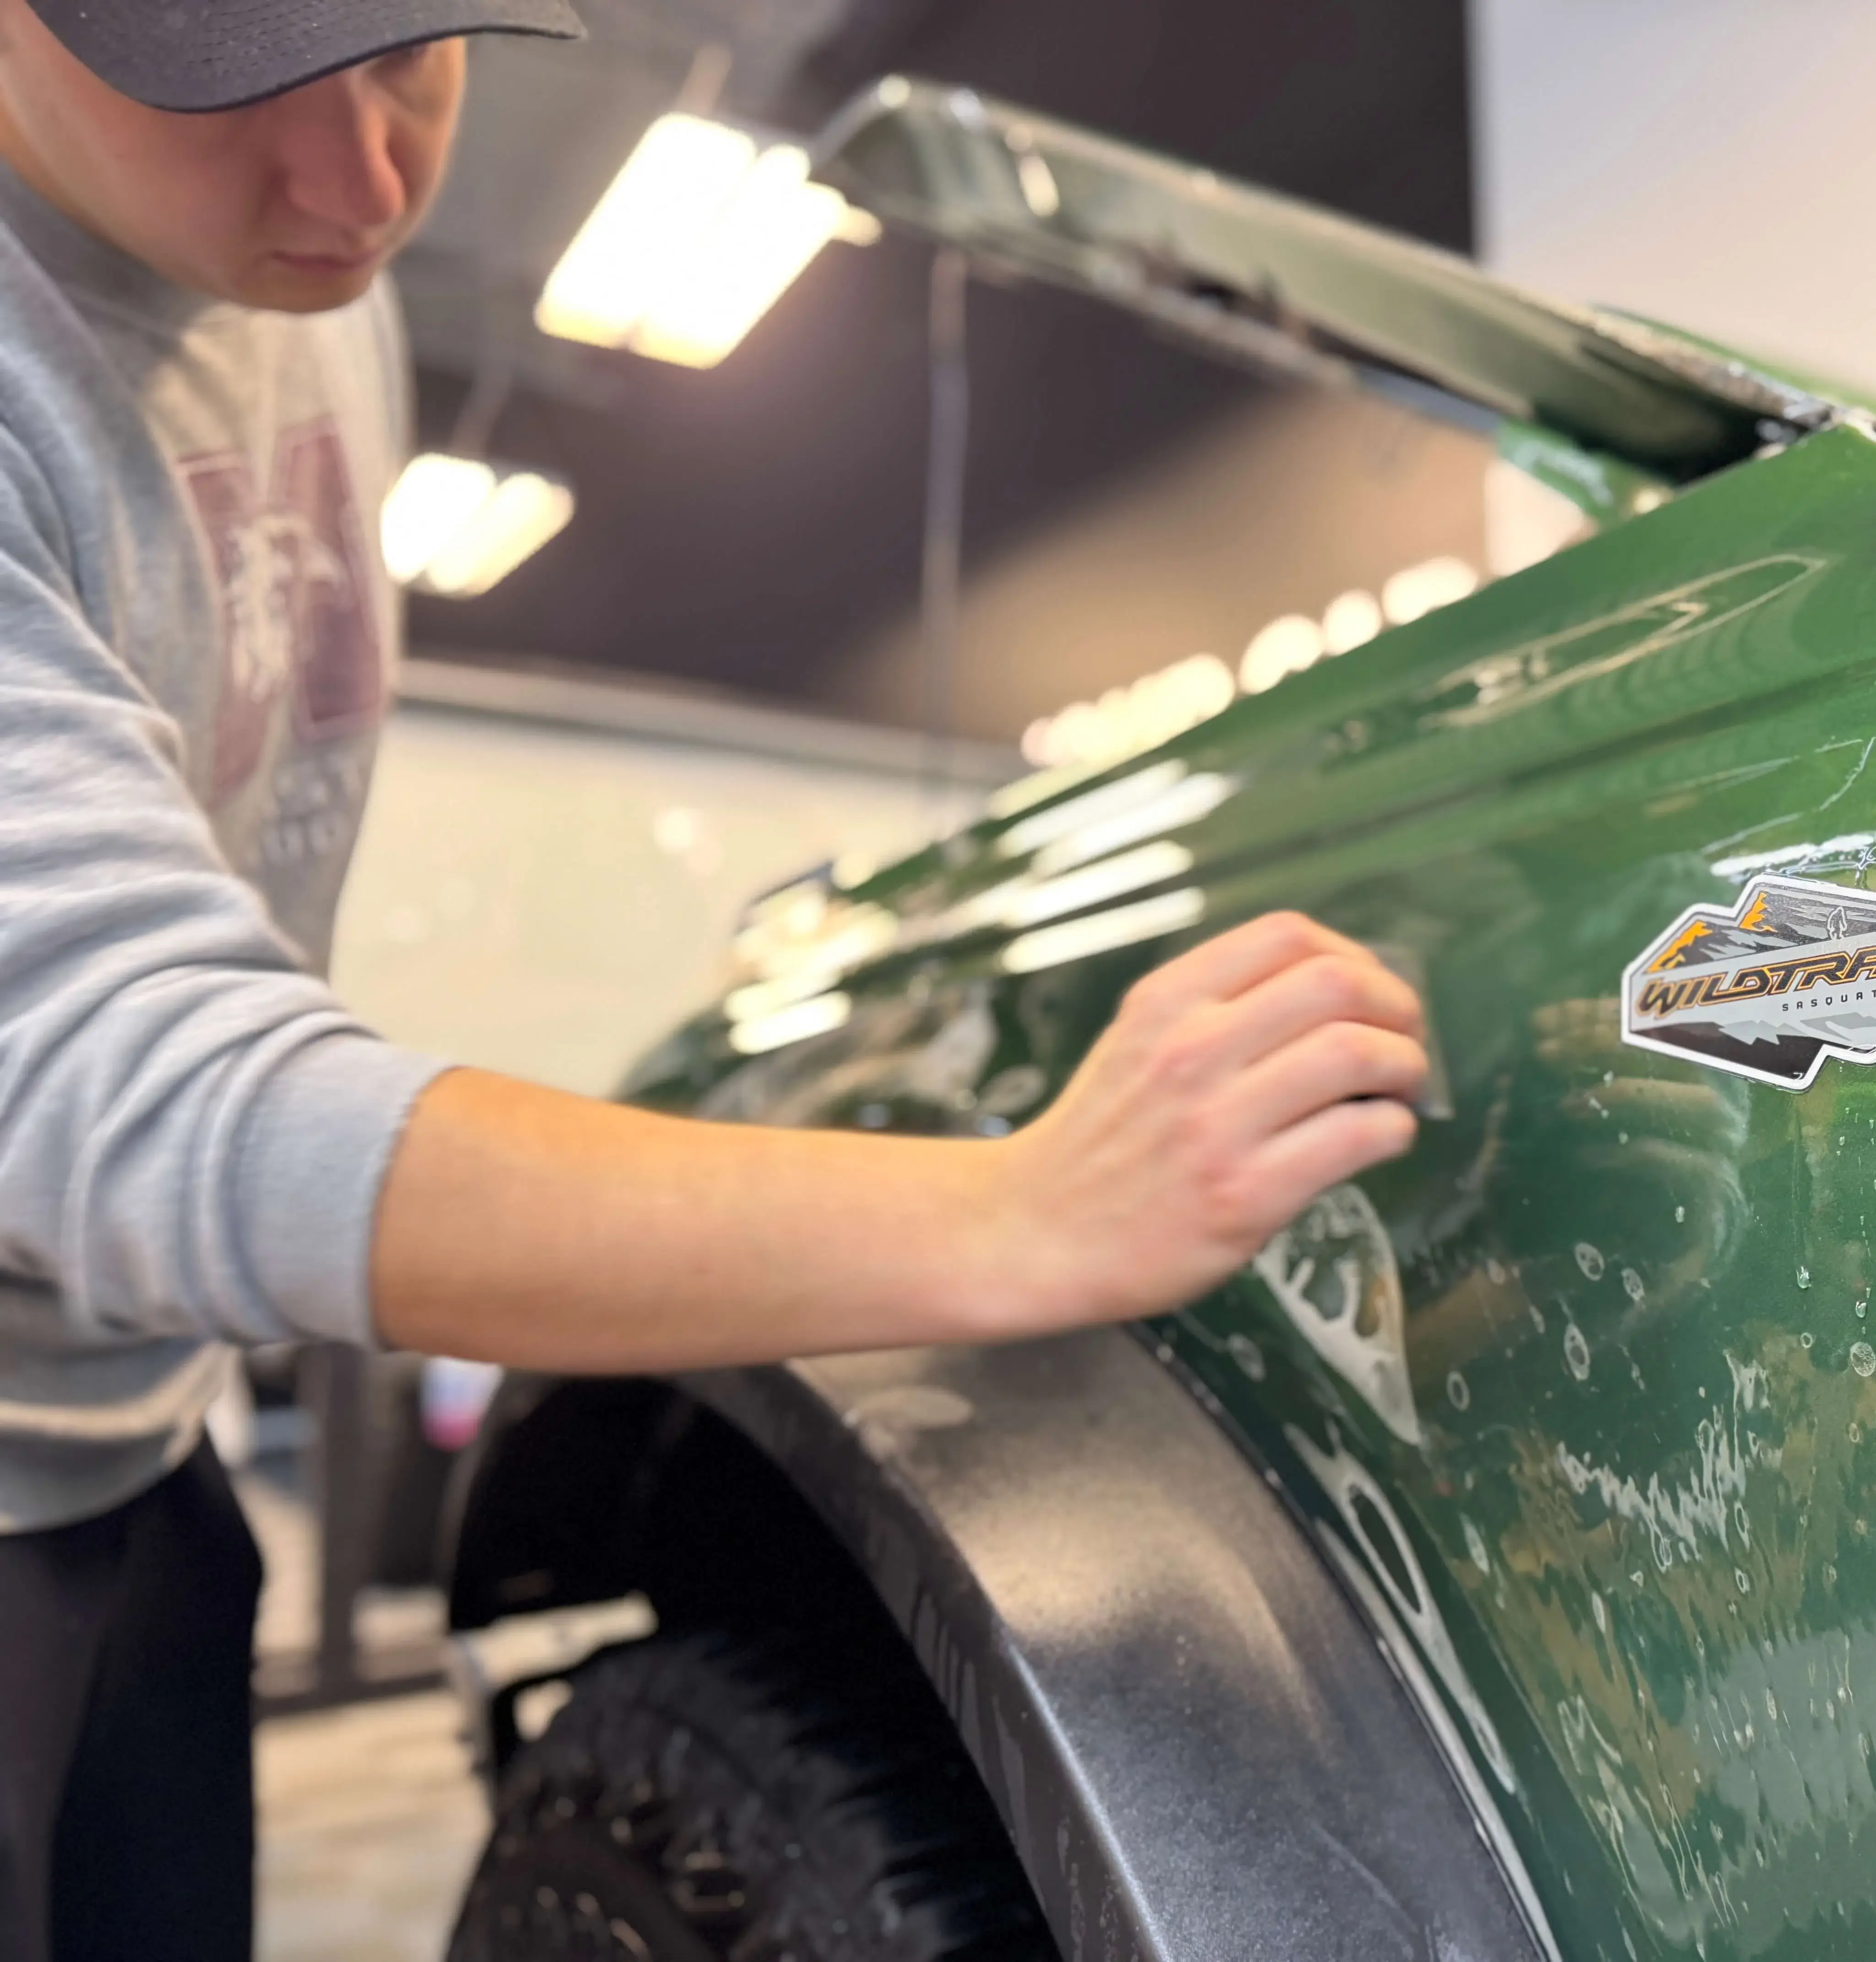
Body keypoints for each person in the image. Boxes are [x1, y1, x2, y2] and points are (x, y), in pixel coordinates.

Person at [0, 4, 1430, 1956]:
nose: (358, 186)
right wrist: (1019, 1216)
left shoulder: (314, 280)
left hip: (135, 1446)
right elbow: (151, 1098)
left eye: (408, 57)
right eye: (234, 87)